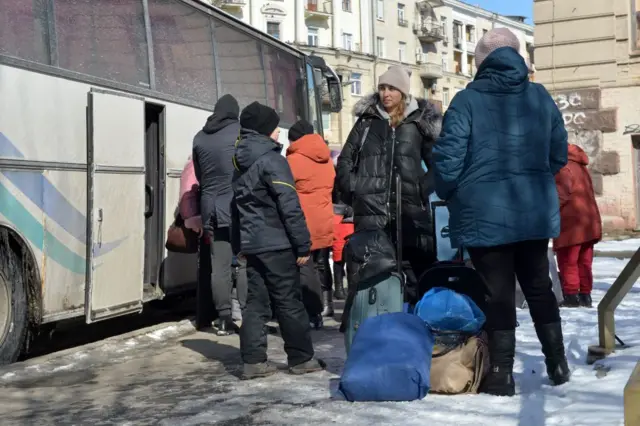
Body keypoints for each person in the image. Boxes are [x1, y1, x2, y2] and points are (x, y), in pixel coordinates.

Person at [432, 28, 570, 396]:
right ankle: (557, 363)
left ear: (481, 61)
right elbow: (559, 152)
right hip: (533, 210)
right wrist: (536, 179)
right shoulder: (540, 96)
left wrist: (451, 193)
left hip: (484, 213)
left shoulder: (466, 100)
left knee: (498, 292)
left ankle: (502, 375)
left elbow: (447, 161)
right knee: (539, 286)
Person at [231, 101, 324, 380]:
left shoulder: (239, 161)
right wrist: (302, 244)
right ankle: (300, 358)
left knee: (256, 305)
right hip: (278, 243)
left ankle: (253, 361)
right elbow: (289, 204)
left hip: (254, 244)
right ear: (265, 130)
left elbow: (235, 207)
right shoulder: (273, 160)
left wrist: (240, 246)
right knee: (289, 302)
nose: (278, 134)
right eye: (274, 128)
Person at [335, 65, 441, 305]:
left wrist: (421, 190)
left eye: (392, 88)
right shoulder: (367, 122)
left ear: (402, 92)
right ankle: (380, 333)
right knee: (375, 278)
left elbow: (439, 165)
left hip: (409, 213)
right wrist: (355, 189)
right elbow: (345, 160)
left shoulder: (418, 123)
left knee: (415, 277)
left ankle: (413, 331)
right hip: (372, 213)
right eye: (382, 88)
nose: (386, 93)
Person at [193, 94, 248, 336]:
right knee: (245, 261)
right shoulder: (239, 132)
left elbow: (199, 174)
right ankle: (247, 314)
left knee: (219, 265)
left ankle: (224, 318)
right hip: (235, 206)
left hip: (210, 207)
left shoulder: (199, 137)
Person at [286, 120, 336, 319]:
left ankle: (312, 312)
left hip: (303, 221)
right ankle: (323, 306)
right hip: (324, 219)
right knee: (318, 264)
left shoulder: (293, 161)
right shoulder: (326, 158)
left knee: (303, 266)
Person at [554, 144, 602, 308]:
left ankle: (571, 296)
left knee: (568, 260)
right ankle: (585, 295)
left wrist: (547, 211)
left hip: (571, 222)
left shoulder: (562, 166)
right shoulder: (580, 165)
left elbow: (561, 194)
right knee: (584, 261)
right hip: (588, 221)